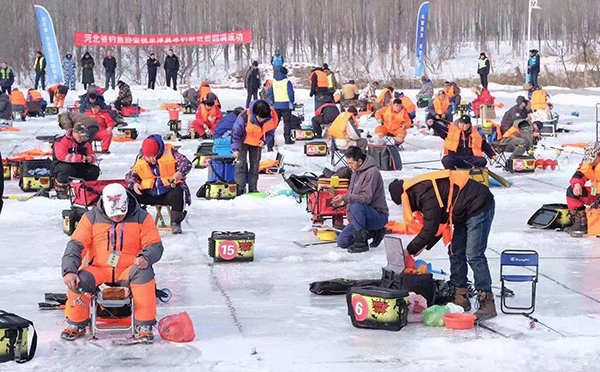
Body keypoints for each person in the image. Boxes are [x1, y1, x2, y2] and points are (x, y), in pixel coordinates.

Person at [60, 183, 163, 343]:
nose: (117, 218)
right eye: (113, 215)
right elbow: (76, 245)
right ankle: (76, 323)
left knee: (145, 273)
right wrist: (69, 270)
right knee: (78, 279)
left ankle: (144, 324)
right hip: (99, 270)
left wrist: (146, 257)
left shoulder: (142, 217)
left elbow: (154, 244)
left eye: (120, 214)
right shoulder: (90, 218)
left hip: (129, 270)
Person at [388, 169, 497, 320]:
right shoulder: (419, 192)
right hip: (461, 211)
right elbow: (438, 223)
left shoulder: (424, 193)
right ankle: (461, 296)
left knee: (474, 254)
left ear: (405, 197)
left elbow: (430, 228)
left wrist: (410, 250)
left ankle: (487, 301)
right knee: (455, 251)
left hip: (479, 205)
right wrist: (423, 245)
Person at [126, 135, 192, 234]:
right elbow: (130, 175)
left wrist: (179, 173)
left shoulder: (171, 153)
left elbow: (186, 163)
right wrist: (134, 184)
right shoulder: (140, 158)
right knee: (129, 193)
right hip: (149, 193)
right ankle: (136, 220)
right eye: (148, 157)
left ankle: (175, 222)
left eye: (154, 156)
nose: (151, 160)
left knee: (178, 191)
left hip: (168, 192)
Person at [333, 146, 388, 253]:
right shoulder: (355, 172)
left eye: (351, 163)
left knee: (356, 206)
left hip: (376, 215)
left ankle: (362, 242)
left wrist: (346, 197)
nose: (350, 166)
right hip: (359, 217)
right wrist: (344, 201)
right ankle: (373, 232)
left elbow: (366, 198)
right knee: (342, 242)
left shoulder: (372, 172)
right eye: (348, 163)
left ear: (359, 161)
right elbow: (353, 195)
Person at [232, 100, 278, 194]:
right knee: (240, 165)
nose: (262, 120)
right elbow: (235, 133)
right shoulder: (244, 117)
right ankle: (240, 188)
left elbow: (270, 132)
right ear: (255, 113)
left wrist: (264, 141)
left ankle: (253, 188)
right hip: (243, 142)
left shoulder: (270, 117)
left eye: (264, 118)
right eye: (260, 118)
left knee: (255, 166)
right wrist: (236, 149)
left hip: (257, 143)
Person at [52, 123, 100, 199]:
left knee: (94, 170)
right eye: (80, 136)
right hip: (61, 165)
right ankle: (61, 190)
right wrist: (80, 157)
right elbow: (62, 156)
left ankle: (86, 189)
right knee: (66, 168)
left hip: (79, 166)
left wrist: (91, 158)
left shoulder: (85, 143)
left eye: (83, 136)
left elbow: (92, 154)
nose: (82, 138)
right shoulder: (61, 141)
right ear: (74, 133)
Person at [431, 115, 496, 170]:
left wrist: (492, 154)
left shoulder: (475, 134)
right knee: (446, 159)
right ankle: (453, 176)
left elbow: (484, 145)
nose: (462, 125)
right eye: (461, 123)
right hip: (455, 157)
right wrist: (433, 124)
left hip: (470, 158)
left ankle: (475, 175)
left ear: (469, 125)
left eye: (465, 124)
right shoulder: (451, 132)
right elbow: (441, 131)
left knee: (482, 160)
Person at [566, 143, 600, 237]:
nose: (591, 162)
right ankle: (581, 222)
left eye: (593, 159)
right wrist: (577, 184)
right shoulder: (588, 165)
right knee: (571, 191)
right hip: (595, 196)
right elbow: (579, 175)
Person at [267, 66, 296, 144]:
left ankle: (270, 141)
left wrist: (273, 102)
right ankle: (287, 139)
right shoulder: (287, 82)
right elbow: (291, 93)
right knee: (287, 122)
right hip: (286, 105)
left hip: (276, 106)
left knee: (274, 123)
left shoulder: (274, 82)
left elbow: (270, 93)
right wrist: (292, 102)